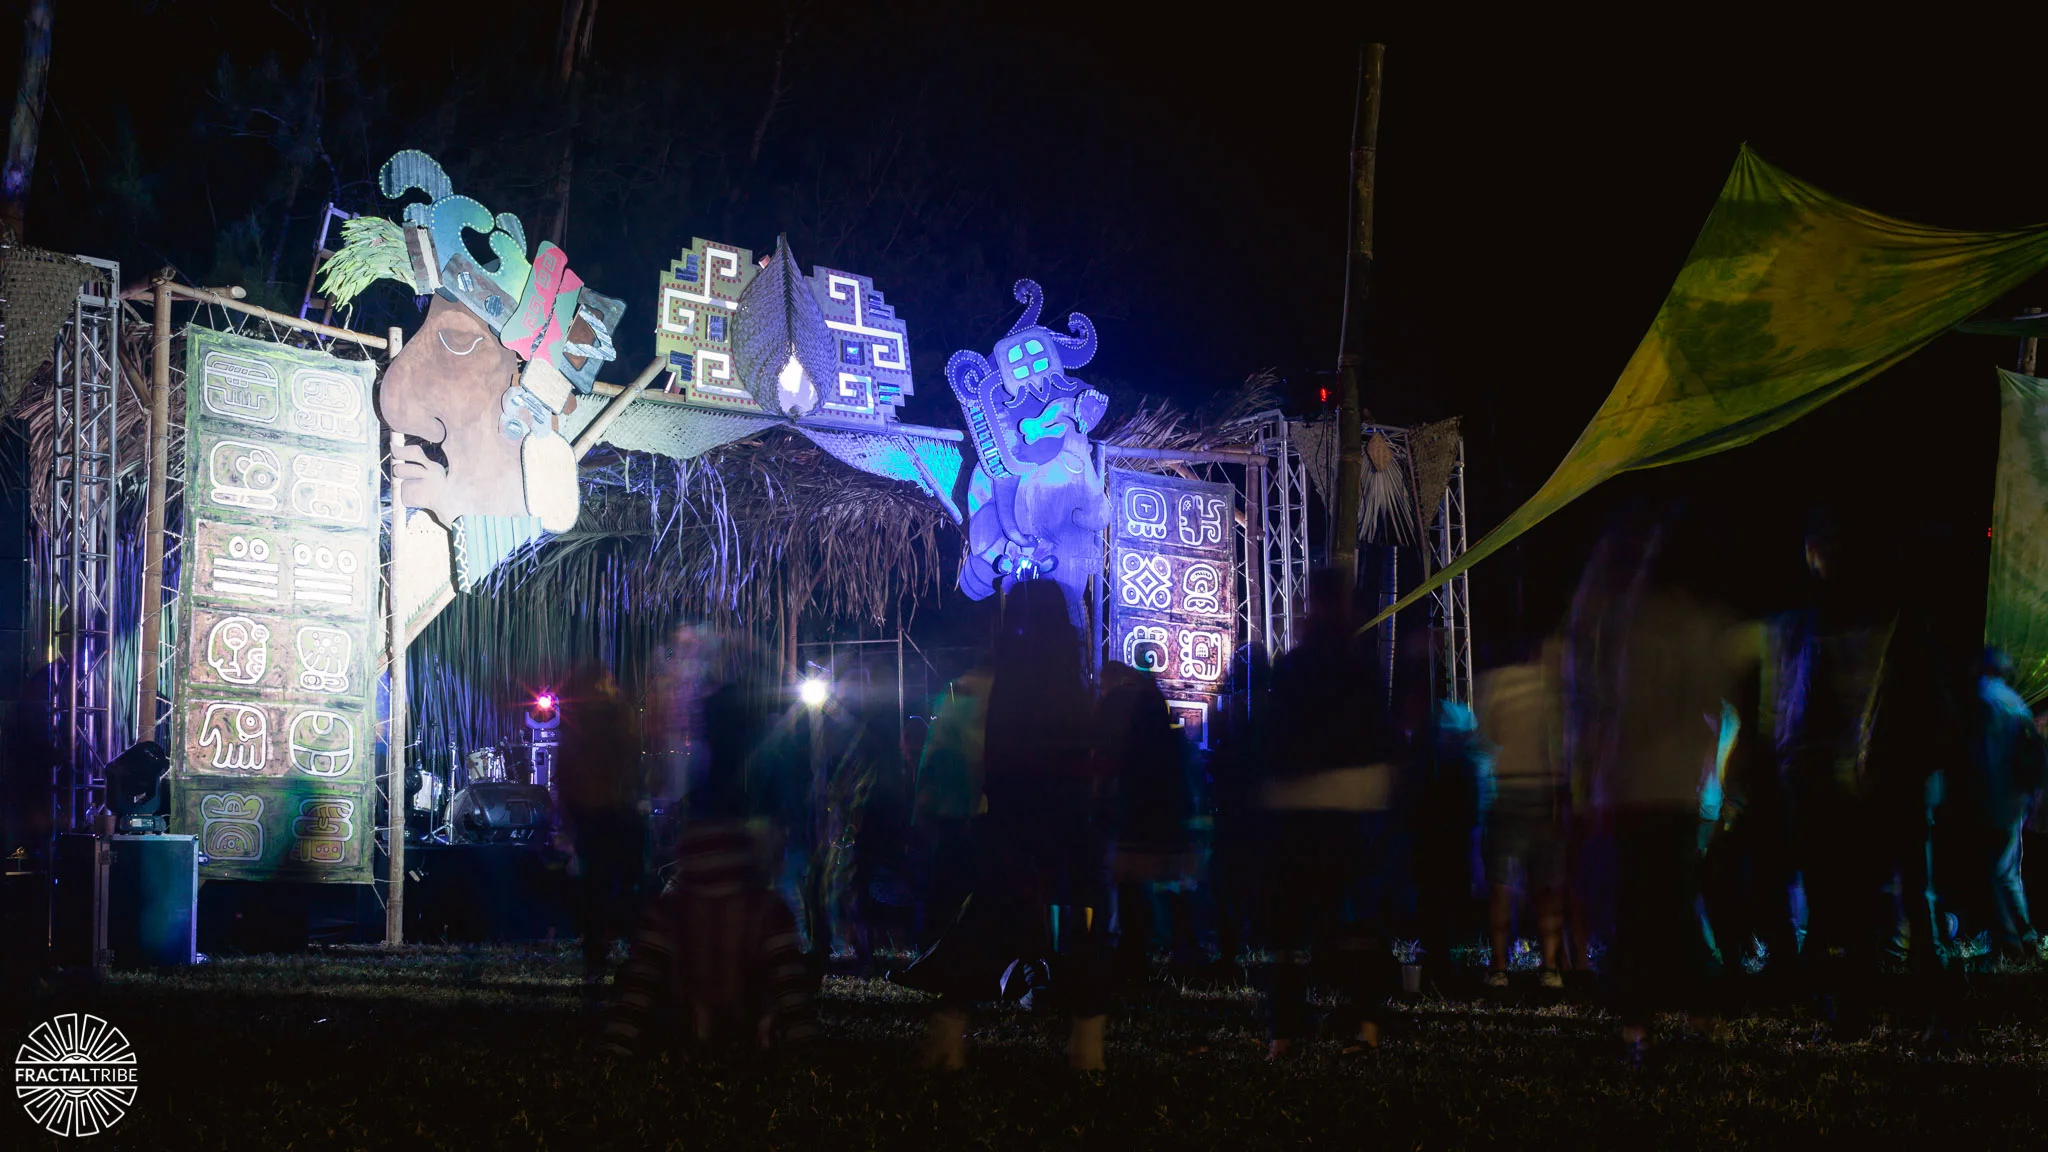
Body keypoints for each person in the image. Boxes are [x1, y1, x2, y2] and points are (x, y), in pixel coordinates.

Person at [898, 580, 1111, 1071]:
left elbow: (996, 761)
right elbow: (1082, 762)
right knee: (1086, 927)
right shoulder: (1070, 684)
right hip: (1069, 823)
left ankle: (949, 1032)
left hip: (1011, 819)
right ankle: (1087, 1042)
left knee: (986, 921)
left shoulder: (1005, 685)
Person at [1586, 510, 1757, 1063]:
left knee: (1635, 908)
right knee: (1677, 904)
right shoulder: (1697, 625)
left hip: (1631, 785)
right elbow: (1714, 705)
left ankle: (1639, 1028)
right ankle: (1700, 1015)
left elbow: (1600, 701)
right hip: (1677, 788)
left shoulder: (1622, 622)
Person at [602, 680, 816, 1057]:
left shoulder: (668, 916)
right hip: (749, 1051)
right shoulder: (767, 915)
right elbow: (793, 1000)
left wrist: (614, 1052)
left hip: (685, 1044)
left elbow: (635, 995)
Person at [1256, 568, 1401, 1056]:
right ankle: (1367, 1029)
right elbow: (1378, 737)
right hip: (1350, 804)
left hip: (1298, 805)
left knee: (1289, 928)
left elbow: (1275, 737)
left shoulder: (1294, 668)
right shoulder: (1359, 667)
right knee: (1354, 922)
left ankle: (1283, 1036)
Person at [1096, 660, 1194, 993]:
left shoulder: (1113, 704)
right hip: (1165, 805)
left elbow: (1104, 754)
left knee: (1129, 886)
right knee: (1170, 885)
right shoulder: (1155, 702)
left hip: (1131, 804)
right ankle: (1184, 951)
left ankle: (1132, 958)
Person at [1478, 637, 1569, 992]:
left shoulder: (1498, 682)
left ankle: (1499, 967)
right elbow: (1565, 744)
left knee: (1501, 884)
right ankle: (1550, 968)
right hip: (1546, 792)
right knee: (1548, 884)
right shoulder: (1557, 690)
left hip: (1509, 789)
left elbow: (1488, 735)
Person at [556, 661, 648, 984]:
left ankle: (599, 959)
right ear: (598, 685)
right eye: (608, 680)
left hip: (598, 815)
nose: (614, 684)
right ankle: (618, 957)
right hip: (611, 813)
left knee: (600, 888)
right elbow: (630, 760)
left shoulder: (583, 722)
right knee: (622, 887)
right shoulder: (616, 718)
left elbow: (563, 773)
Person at [1964, 648, 2046, 960]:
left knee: (1989, 874)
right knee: (2008, 873)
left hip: (1991, 799)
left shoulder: (1981, 700)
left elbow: (1979, 756)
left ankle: (2009, 945)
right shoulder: (2016, 702)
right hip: (2015, 800)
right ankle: (2026, 936)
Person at [913, 665, 991, 945]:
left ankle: (937, 945)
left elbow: (933, 753)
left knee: (946, 883)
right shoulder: (1001, 693)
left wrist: (921, 802)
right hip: (983, 809)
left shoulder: (955, 694)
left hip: (954, 808)